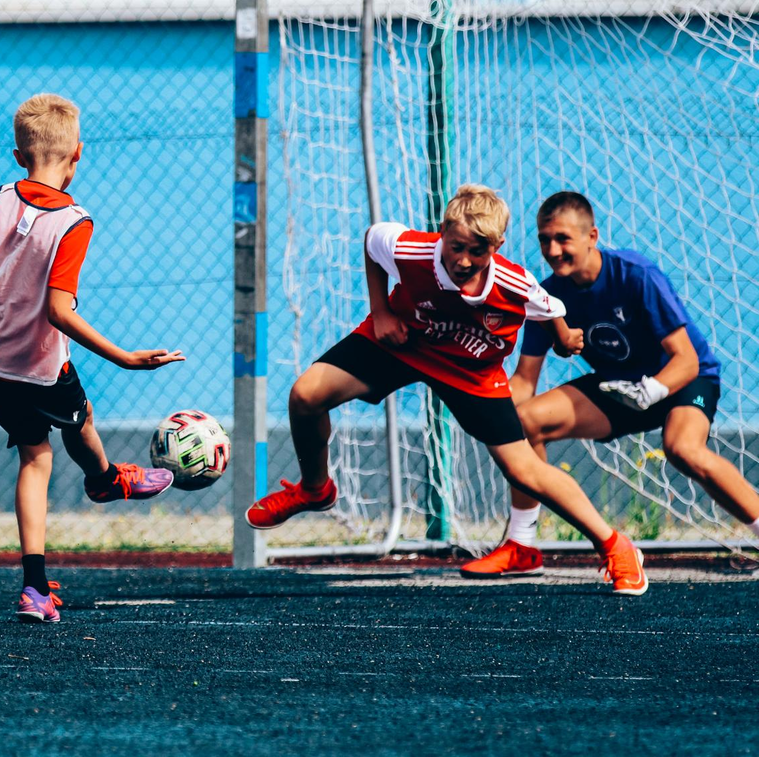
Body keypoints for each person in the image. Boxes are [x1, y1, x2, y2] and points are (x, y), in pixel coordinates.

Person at [246, 184, 648, 595]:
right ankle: (315, 489)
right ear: (442, 233)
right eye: (456, 247)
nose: (464, 260)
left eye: (478, 251)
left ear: (497, 246)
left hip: (470, 371)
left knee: (523, 469)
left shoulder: (515, 283)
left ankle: (615, 546)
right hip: (405, 343)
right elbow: (372, 241)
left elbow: (551, 311)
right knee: (306, 395)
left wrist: (564, 340)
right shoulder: (412, 251)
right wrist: (380, 311)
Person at [0, 93, 184, 622]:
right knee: (80, 419)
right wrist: (124, 358)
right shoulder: (75, 222)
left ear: (17, 156)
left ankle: (34, 588)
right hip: (38, 364)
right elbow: (58, 311)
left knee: (36, 455)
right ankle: (105, 481)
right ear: (79, 154)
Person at [461, 191, 759, 578]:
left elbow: (686, 359)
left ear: (592, 237)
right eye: (544, 240)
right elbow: (524, 380)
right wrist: (486, 410)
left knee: (683, 448)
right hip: (618, 388)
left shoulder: (635, 275)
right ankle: (521, 546)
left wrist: (652, 390)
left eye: (563, 238)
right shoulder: (546, 297)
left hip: (683, 380)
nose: (552, 250)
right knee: (524, 421)